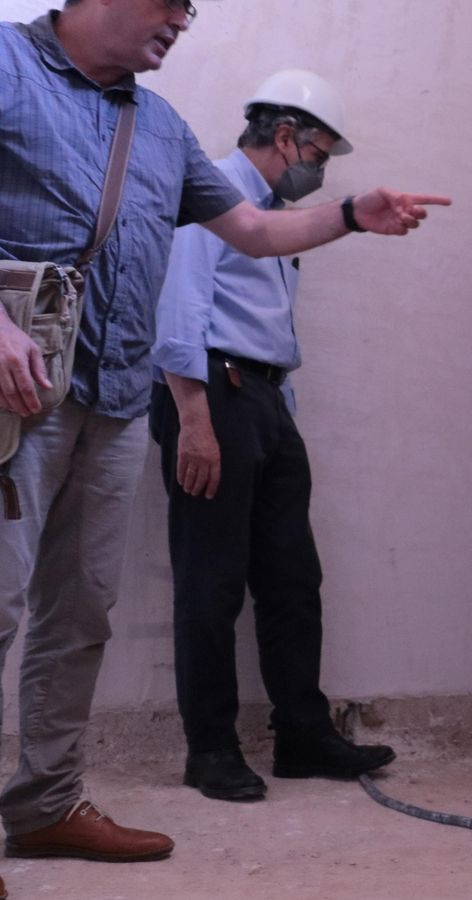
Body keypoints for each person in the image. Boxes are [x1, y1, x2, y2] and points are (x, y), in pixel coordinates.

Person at [0, 0, 448, 877]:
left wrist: (355, 212)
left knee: (79, 612)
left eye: (192, 9)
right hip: (19, 394)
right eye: (171, 3)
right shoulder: (7, 68)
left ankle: (44, 805)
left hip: (116, 401)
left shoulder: (158, 128)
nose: (184, 18)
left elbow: (255, 231)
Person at [151, 69, 396, 803]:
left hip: (262, 398)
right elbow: (178, 311)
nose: (320, 170)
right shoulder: (211, 198)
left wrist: (274, 410)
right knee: (211, 582)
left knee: (292, 579)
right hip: (210, 396)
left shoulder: (273, 221)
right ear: (285, 136)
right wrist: (194, 420)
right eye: (319, 152)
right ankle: (212, 750)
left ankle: (302, 735)